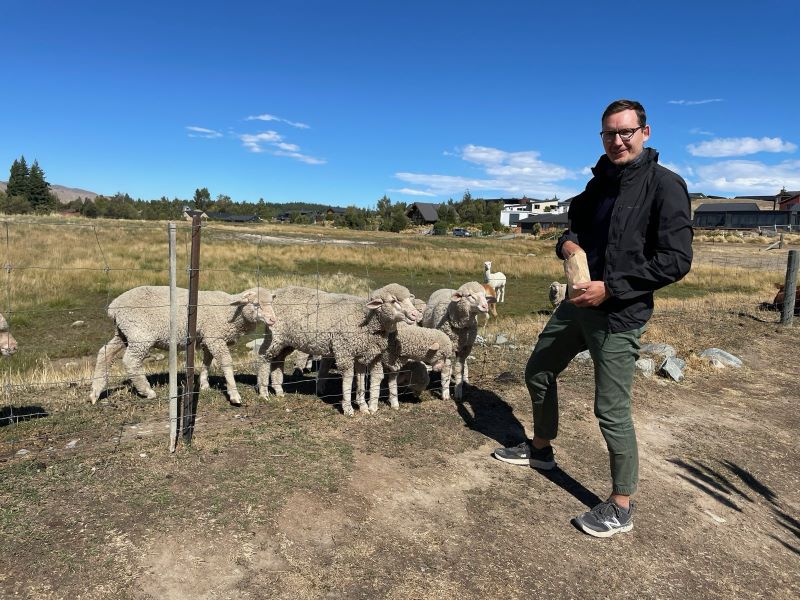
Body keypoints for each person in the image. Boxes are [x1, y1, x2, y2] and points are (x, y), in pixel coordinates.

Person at [493, 99, 693, 537]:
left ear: (645, 132)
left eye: (625, 132)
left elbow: (676, 261)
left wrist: (613, 287)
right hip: (577, 304)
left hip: (619, 314)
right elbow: (573, 228)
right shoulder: (596, 186)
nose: (617, 140)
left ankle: (621, 506)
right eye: (609, 133)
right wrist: (566, 245)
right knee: (539, 370)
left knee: (611, 410)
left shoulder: (665, 186)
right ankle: (541, 448)